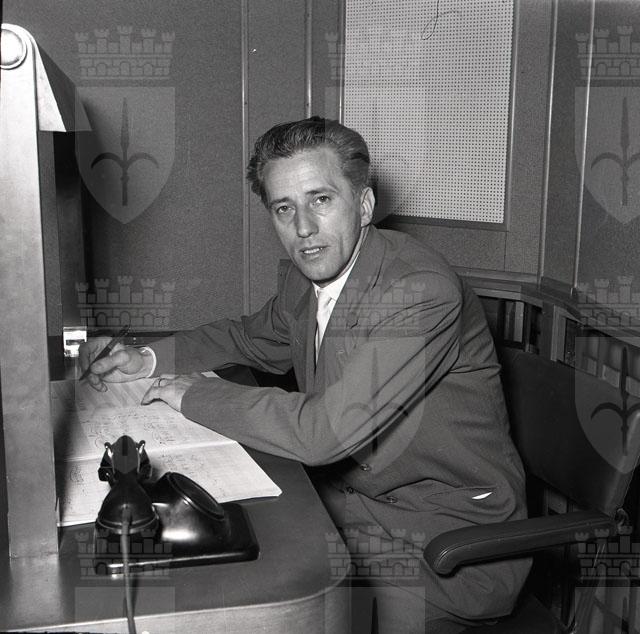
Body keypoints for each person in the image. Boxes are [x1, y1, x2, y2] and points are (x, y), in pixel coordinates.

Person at [81, 117, 530, 633]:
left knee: (267, 613)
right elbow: (247, 336)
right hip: (353, 509)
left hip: (444, 548)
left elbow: (324, 432)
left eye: (321, 199)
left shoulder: (420, 292)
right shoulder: (310, 275)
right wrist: (147, 359)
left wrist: (194, 395)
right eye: (284, 208)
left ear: (364, 205)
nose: (303, 228)